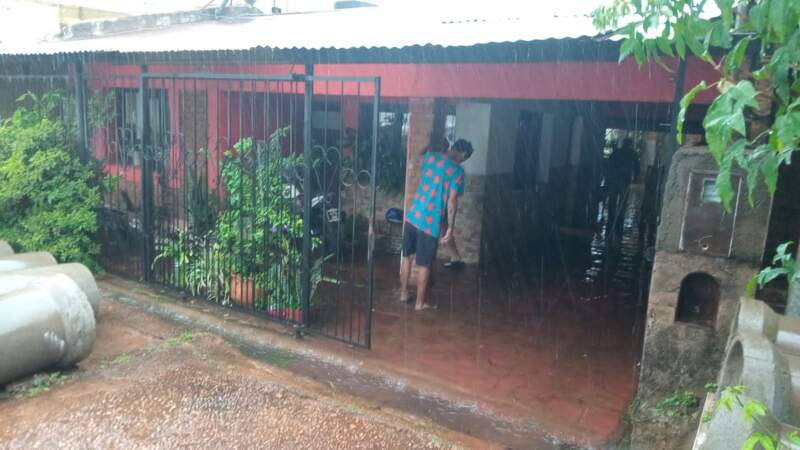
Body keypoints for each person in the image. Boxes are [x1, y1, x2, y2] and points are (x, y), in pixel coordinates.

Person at [399, 138, 473, 310]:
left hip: (413, 216)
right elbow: (452, 201)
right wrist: (450, 228)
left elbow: (419, 157)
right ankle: (419, 303)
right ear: (463, 154)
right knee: (424, 264)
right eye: (465, 158)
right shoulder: (457, 172)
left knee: (407, 256)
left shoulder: (432, 156)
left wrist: (429, 144)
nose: (463, 161)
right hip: (429, 223)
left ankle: (403, 293)